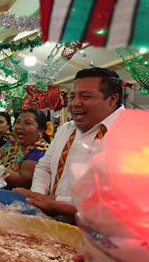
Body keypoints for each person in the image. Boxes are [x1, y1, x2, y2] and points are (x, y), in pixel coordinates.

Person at [14, 68, 125, 218]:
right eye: (73, 96)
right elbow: (45, 166)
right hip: (52, 220)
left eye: (85, 96)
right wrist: (38, 195)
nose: (74, 103)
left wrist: (56, 203)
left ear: (112, 99)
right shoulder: (67, 128)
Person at [0, 109, 49, 189]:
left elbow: (21, 180)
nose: (19, 126)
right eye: (18, 122)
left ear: (41, 130)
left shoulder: (40, 150)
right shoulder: (15, 144)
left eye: (27, 123)